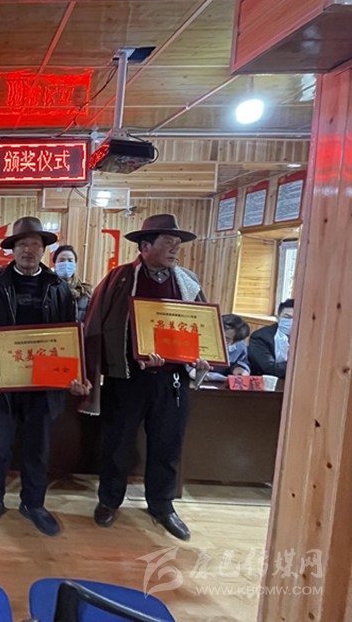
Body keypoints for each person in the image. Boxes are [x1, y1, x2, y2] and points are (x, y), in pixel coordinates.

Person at [83, 214, 210, 541]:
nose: (175, 249)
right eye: (168, 243)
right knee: (117, 442)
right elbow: (95, 326)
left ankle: (162, 504)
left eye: (177, 243)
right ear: (145, 246)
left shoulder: (187, 282)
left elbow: (202, 326)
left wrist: (202, 357)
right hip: (127, 377)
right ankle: (109, 500)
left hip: (172, 380)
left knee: (168, 443)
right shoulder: (119, 279)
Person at [0, 217, 91, 537]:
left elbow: (69, 338)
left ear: (43, 249)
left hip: (44, 386)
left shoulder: (58, 287)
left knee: (38, 449)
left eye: (35, 244)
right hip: (2, 385)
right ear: (12, 249)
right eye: (22, 244)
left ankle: (33, 504)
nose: (28, 250)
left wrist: (75, 375)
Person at [197, 314, 251, 382]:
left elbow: (241, 362)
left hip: (217, 382)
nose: (218, 339)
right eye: (216, 334)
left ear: (234, 342)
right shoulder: (198, 337)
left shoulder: (239, 346)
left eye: (225, 339)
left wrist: (240, 369)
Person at [248, 299, 294, 378]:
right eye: (287, 317)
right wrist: (297, 366)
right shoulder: (260, 337)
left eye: (296, 318)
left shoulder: (309, 339)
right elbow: (269, 368)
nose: (292, 321)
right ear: (278, 317)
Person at [51, 245, 94, 323]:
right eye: (62, 260)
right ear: (55, 263)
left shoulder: (84, 291)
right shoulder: (47, 288)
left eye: (70, 261)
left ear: (75, 264)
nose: (66, 264)